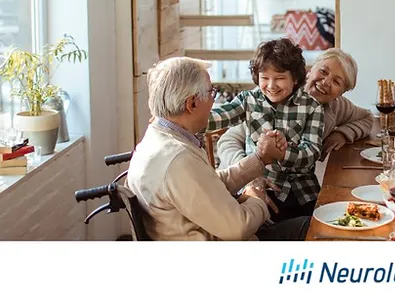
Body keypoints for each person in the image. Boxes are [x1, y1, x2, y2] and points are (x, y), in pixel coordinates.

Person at [126, 57, 309, 241]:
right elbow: (238, 227)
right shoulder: (179, 160)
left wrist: (259, 159)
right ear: (192, 104)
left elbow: (208, 183)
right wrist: (256, 198)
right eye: (211, 92)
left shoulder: (154, 140)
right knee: (310, 226)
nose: (214, 101)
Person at [207, 38, 324, 222]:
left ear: (295, 78)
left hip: (302, 191)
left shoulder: (312, 107)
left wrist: (282, 153)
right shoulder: (248, 100)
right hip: (259, 186)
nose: (271, 85)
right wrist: (178, 116)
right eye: (264, 78)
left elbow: (312, 152)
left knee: (314, 228)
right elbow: (219, 116)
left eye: (279, 78)